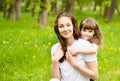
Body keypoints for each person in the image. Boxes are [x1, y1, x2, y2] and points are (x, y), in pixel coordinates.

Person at [50, 12, 98, 81]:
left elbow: (94, 76)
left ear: (73, 26)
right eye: (61, 26)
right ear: (57, 29)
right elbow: (56, 79)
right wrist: (55, 61)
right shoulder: (55, 49)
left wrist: (75, 64)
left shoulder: (85, 45)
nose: (65, 29)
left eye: (68, 25)